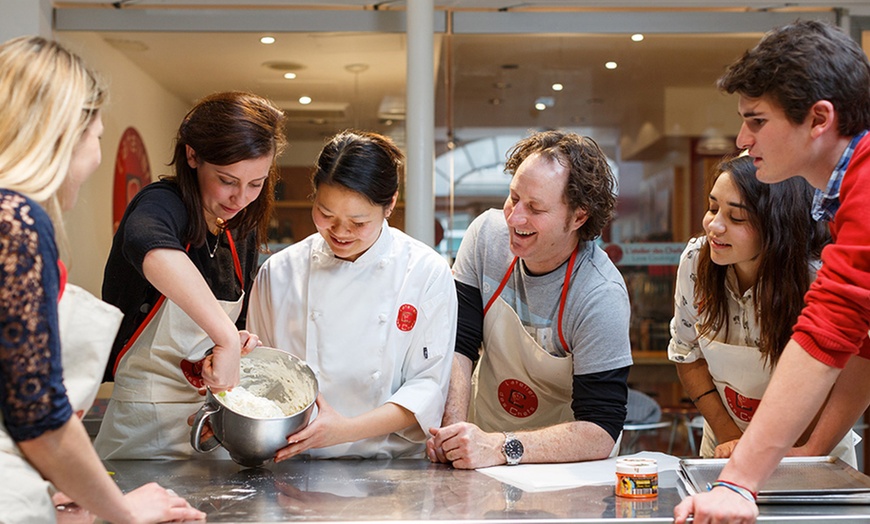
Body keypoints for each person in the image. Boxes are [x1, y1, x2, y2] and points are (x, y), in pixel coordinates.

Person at [0, 35, 204, 523]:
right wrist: (121, 510)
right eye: (96, 135)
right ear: (63, 134)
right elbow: (39, 419)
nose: (95, 155)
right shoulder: (17, 222)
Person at [674, 20, 870, 524]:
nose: (743, 138)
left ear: (819, 118)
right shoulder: (847, 195)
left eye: (757, 120)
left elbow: (831, 331)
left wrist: (740, 482)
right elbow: (859, 339)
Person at [94, 91, 286, 460]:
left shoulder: (237, 228)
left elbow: (223, 330)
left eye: (256, 183)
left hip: (211, 424)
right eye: (227, 180)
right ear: (192, 155)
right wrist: (226, 337)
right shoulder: (164, 203)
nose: (240, 198)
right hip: (141, 430)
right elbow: (146, 242)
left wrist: (228, 347)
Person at [427, 130, 632, 469]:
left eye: (535, 208)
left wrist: (500, 448)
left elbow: (600, 429)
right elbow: (459, 345)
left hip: (566, 465)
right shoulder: (484, 238)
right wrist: (451, 435)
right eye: (513, 197)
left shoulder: (600, 294)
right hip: (482, 445)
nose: (514, 218)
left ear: (579, 217)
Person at [246, 130, 457, 460]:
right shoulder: (280, 272)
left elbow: (427, 387)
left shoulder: (425, 272)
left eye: (358, 222)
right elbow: (260, 374)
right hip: (293, 463)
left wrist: (342, 430)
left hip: (391, 474)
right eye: (325, 214)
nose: (340, 232)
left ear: (390, 205)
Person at [669, 154, 857, 465]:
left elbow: (841, 378)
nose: (714, 226)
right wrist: (730, 437)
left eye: (736, 218)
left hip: (810, 451)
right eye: (713, 208)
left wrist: (783, 449)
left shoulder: (819, 279)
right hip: (726, 445)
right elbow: (686, 355)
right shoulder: (695, 261)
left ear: (776, 225)